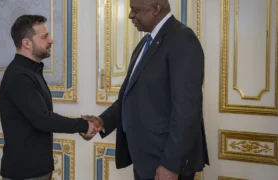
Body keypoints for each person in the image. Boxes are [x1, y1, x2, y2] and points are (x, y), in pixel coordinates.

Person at [81, 0, 209, 179]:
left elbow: (187, 110)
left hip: (165, 160)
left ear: (156, 9)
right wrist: (103, 121)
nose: (130, 16)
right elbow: (133, 95)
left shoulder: (182, 39)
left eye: (136, 10)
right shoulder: (145, 43)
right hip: (146, 158)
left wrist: (171, 164)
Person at [0, 15, 101, 180]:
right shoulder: (19, 76)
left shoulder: (31, 71)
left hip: (36, 169)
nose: (51, 40)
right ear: (26, 43)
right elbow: (43, 119)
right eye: (45, 36)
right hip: (24, 172)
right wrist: (83, 125)